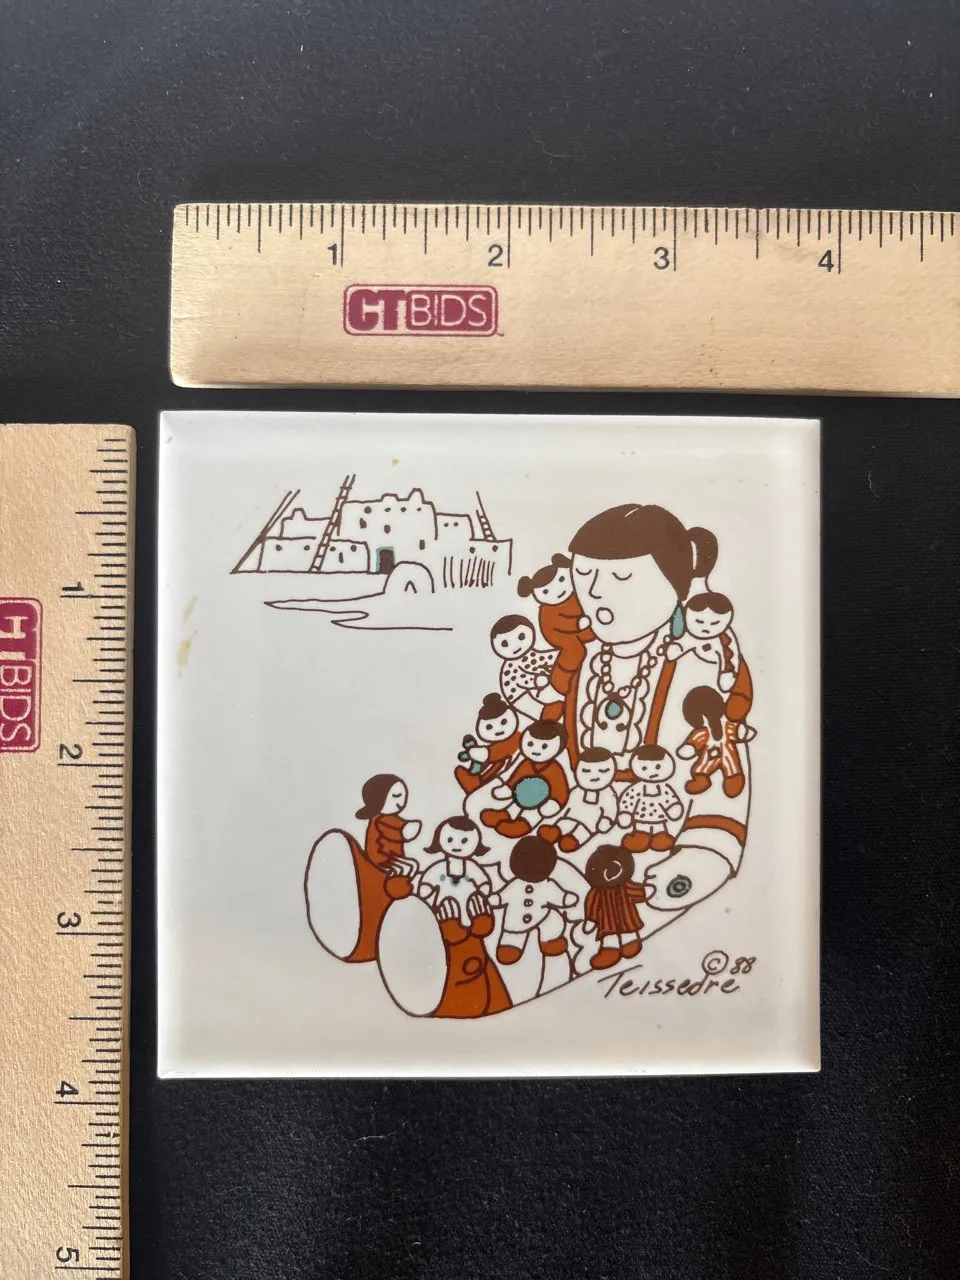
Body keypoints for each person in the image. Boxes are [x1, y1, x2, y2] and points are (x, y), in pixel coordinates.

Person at [538, 503, 753, 912]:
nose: (595, 592)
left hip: (664, 840)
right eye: (584, 574)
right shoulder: (582, 661)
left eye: (621, 577)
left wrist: (701, 856)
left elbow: (718, 764)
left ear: (675, 587)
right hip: (577, 832)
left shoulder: (698, 664)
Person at [488, 835, 578, 966]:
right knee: (513, 930)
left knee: (552, 921)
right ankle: (511, 945)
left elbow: (558, 895)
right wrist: (496, 899)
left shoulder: (547, 885)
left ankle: (550, 941)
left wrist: (565, 898)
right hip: (516, 918)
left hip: (542, 915)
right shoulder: (515, 885)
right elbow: (502, 896)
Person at [517, 553, 594, 695]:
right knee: (575, 649)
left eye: (561, 580)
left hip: (580, 628)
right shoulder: (548, 610)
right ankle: (559, 679)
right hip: (561, 635)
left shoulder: (575, 594)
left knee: (594, 634)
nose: (558, 591)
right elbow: (560, 623)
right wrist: (577, 623)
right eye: (546, 591)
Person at [480, 720, 570, 838]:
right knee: (514, 806)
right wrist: (508, 788)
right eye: (530, 744)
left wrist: (554, 803)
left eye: (544, 746)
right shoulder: (526, 763)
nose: (536, 750)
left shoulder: (555, 769)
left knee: (531, 815)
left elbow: (561, 790)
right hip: (519, 797)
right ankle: (504, 814)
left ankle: (521, 825)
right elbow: (516, 778)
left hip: (540, 803)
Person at [677, 685, 757, 799]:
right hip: (708, 758)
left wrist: (743, 732)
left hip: (727, 755)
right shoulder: (703, 732)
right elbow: (694, 743)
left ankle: (733, 779)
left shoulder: (726, 726)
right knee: (701, 769)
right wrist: (690, 747)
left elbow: (737, 731)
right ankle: (701, 780)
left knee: (732, 767)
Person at [417, 815, 494, 926]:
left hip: (469, 899)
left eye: (464, 841)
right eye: (450, 840)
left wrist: (483, 892)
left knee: (468, 914)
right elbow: (427, 883)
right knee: (445, 915)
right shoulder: (439, 867)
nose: (456, 845)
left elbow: (483, 882)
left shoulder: (471, 867)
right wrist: (426, 890)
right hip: (444, 900)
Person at [582, 845, 647, 969]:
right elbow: (592, 904)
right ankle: (610, 950)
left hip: (627, 917)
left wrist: (643, 891)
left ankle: (630, 943)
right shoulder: (597, 892)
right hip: (607, 921)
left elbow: (637, 892)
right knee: (609, 934)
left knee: (629, 928)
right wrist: (591, 918)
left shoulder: (625, 885)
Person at [355, 773, 421, 895]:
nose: (401, 802)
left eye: (403, 796)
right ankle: (396, 889)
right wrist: (405, 831)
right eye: (396, 796)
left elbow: (399, 825)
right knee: (405, 868)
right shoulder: (380, 820)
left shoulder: (391, 817)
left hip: (392, 856)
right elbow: (395, 832)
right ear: (380, 799)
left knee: (412, 865)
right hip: (382, 857)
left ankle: (407, 886)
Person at [616, 745, 685, 852]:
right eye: (644, 768)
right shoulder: (637, 788)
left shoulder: (664, 789)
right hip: (641, 819)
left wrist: (673, 808)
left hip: (659, 819)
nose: (652, 772)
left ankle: (660, 838)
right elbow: (629, 800)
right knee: (641, 832)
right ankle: (640, 838)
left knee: (660, 834)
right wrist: (626, 813)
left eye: (658, 767)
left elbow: (669, 800)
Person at [454, 692, 522, 794]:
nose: (498, 730)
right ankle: (474, 781)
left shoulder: (517, 737)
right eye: (489, 727)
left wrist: (481, 753)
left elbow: (496, 753)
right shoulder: (496, 744)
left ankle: (474, 782)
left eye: (503, 722)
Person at [555, 746, 619, 852]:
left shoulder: (608, 795)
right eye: (586, 771)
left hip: (588, 826)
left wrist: (606, 821)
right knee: (563, 824)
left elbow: (611, 811)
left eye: (603, 771)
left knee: (580, 833)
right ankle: (554, 832)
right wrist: (558, 816)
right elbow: (566, 807)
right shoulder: (576, 792)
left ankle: (572, 841)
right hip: (570, 819)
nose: (594, 776)